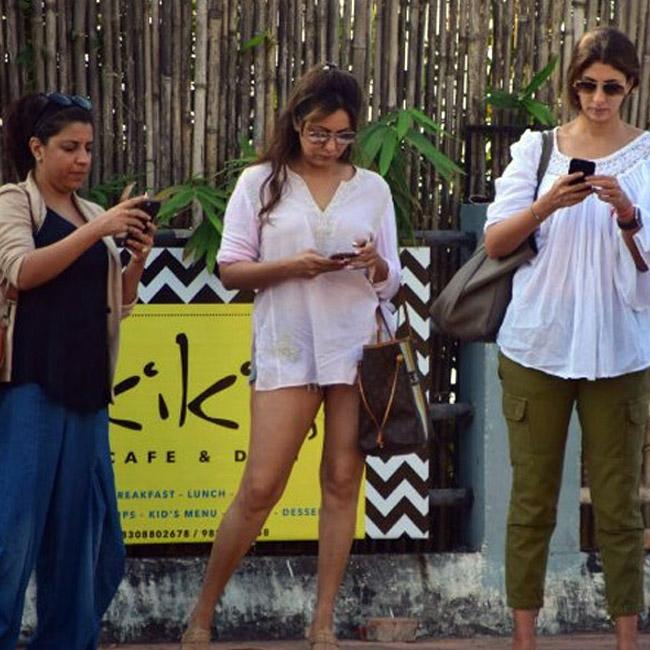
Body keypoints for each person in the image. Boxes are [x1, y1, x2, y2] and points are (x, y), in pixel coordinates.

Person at [180, 63, 401, 649]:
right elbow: (231, 269)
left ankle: (323, 620)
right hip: (287, 346)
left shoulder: (372, 189)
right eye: (318, 133)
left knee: (342, 481)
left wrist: (373, 262)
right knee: (261, 487)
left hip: (355, 349)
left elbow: (392, 281)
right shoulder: (261, 182)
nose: (330, 146)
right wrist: (293, 266)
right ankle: (202, 613)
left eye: (343, 135)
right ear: (296, 124)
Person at [484, 27, 650, 650]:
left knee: (619, 506)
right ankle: (524, 639)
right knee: (532, 500)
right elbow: (495, 242)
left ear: (631, 86)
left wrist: (629, 215)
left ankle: (627, 639)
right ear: (573, 85)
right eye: (587, 85)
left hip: (621, 348)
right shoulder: (538, 151)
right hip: (537, 343)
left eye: (611, 87)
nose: (598, 99)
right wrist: (547, 204)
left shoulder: (647, 157)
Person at [0, 92, 156, 649]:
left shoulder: (91, 213)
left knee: (85, 536)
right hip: (30, 386)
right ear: (36, 147)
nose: (82, 159)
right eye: (69, 147)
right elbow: (21, 270)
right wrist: (97, 231)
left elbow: (120, 303)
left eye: (88, 147)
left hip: (88, 390)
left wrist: (135, 258)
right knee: (14, 532)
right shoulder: (15, 202)